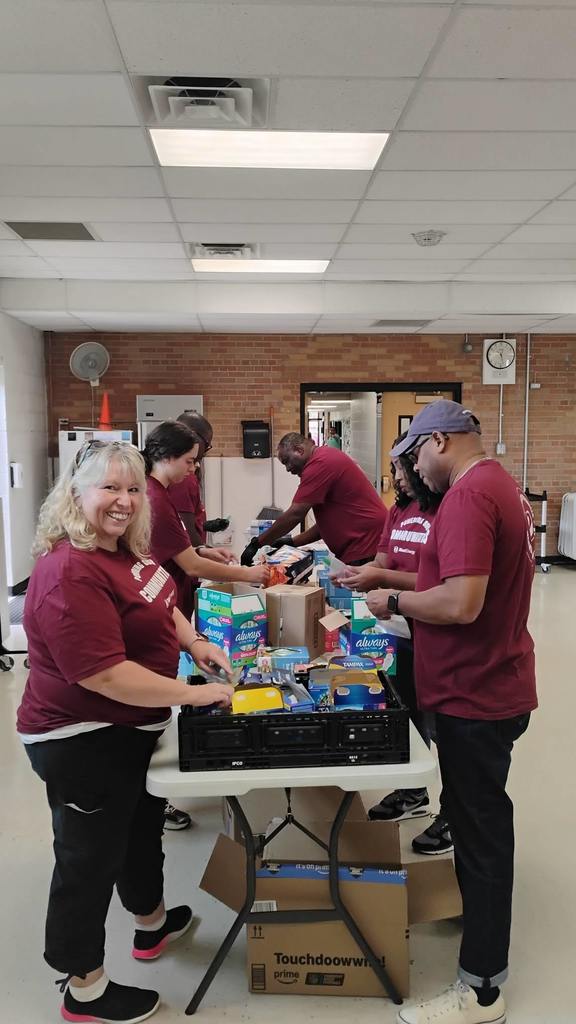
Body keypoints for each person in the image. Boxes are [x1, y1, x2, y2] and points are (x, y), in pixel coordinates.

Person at [16, 439, 235, 1024]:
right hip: (80, 738)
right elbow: (108, 676)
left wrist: (197, 644)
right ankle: (83, 988)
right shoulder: (70, 572)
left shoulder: (124, 551)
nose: (124, 500)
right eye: (109, 487)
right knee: (87, 859)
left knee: (140, 828)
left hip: (130, 729)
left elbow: (163, 604)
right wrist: (195, 692)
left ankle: (150, 921)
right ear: (75, 494)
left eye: (133, 488)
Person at [365, 400, 537, 1024]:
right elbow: (459, 579)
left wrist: (394, 601)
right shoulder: (499, 484)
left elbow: (462, 603)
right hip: (494, 680)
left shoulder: (466, 496)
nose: (415, 471)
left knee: (481, 831)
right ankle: (478, 921)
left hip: (476, 692)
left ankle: (481, 987)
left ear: (439, 440)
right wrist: (389, 579)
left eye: (415, 455)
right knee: (473, 824)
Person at [335, 434, 448, 851]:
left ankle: (452, 813)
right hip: (397, 632)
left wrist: (385, 585)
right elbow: (383, 560)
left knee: (444, 728)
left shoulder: (447, 511)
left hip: (434, 632)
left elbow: (442, 585)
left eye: (403, 468)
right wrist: (359, 573)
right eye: (396, 469)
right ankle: (412, 791)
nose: (398, 478)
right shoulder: (398, 510)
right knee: (406, 714)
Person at [143, 420, 269, 622]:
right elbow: (192, 566)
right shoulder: (156, 499)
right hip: (164, 602)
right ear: (167, 457)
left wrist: (203, 550)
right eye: (189, 461)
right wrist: (246, 574)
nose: (193, 468)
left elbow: (172, 543)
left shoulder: (160, 492)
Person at [241, 431, 387, 566]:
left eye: (287, 461)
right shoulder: (324, 456)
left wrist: (258, 543)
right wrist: (291, 542)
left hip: (365, 541)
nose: (287, 468)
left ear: (299, 450)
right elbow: (326, 526)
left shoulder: (319, 464)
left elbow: (296, 513)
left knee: (357, 589)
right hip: (363, 539)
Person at [168, 410, 229, 550]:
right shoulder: (183, 478)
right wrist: (207, 555)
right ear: (193, 436)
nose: (206, 451)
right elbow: (185, 531)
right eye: (207, 444)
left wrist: (204, 525)